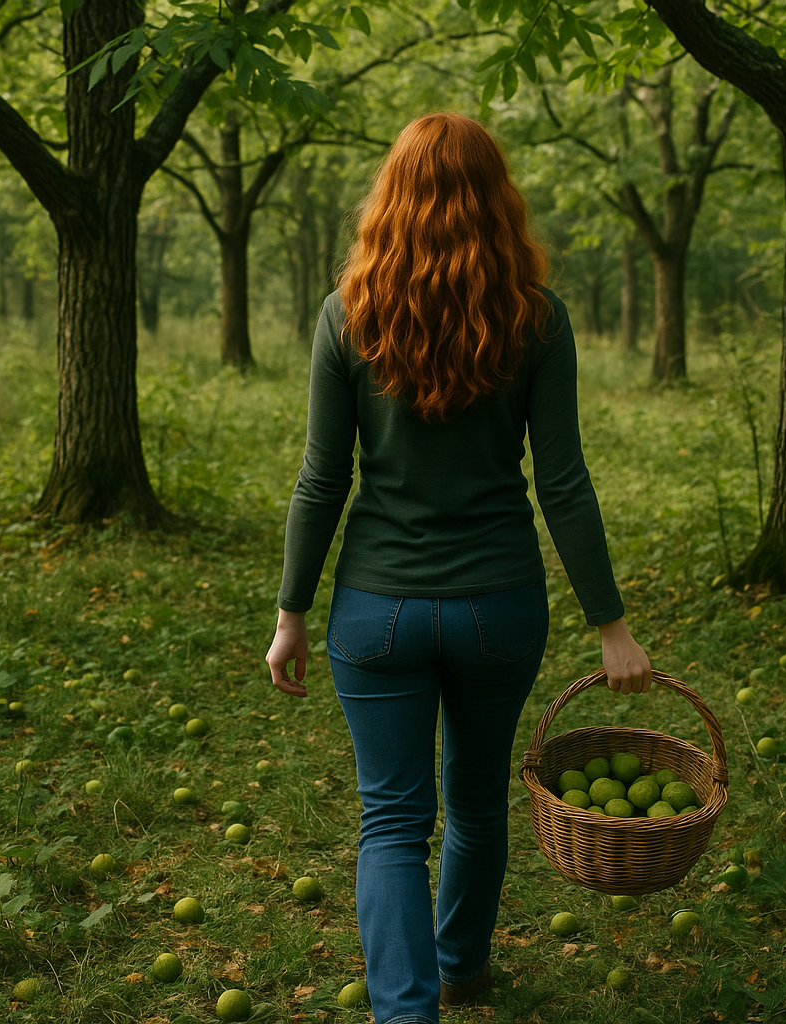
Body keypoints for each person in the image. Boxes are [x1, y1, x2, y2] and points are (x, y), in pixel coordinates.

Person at [266, 111, 651, 1024]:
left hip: (376, 612)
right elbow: (563, 483)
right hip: (498, 607)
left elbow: (323, 480)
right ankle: (461, 967)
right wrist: (612, 624)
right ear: (497, 199)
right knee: (476, 804)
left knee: (392, 823)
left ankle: (408, 1013)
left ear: (391, 198)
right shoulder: (535, 317)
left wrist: (291, 612)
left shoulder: (347, 313)